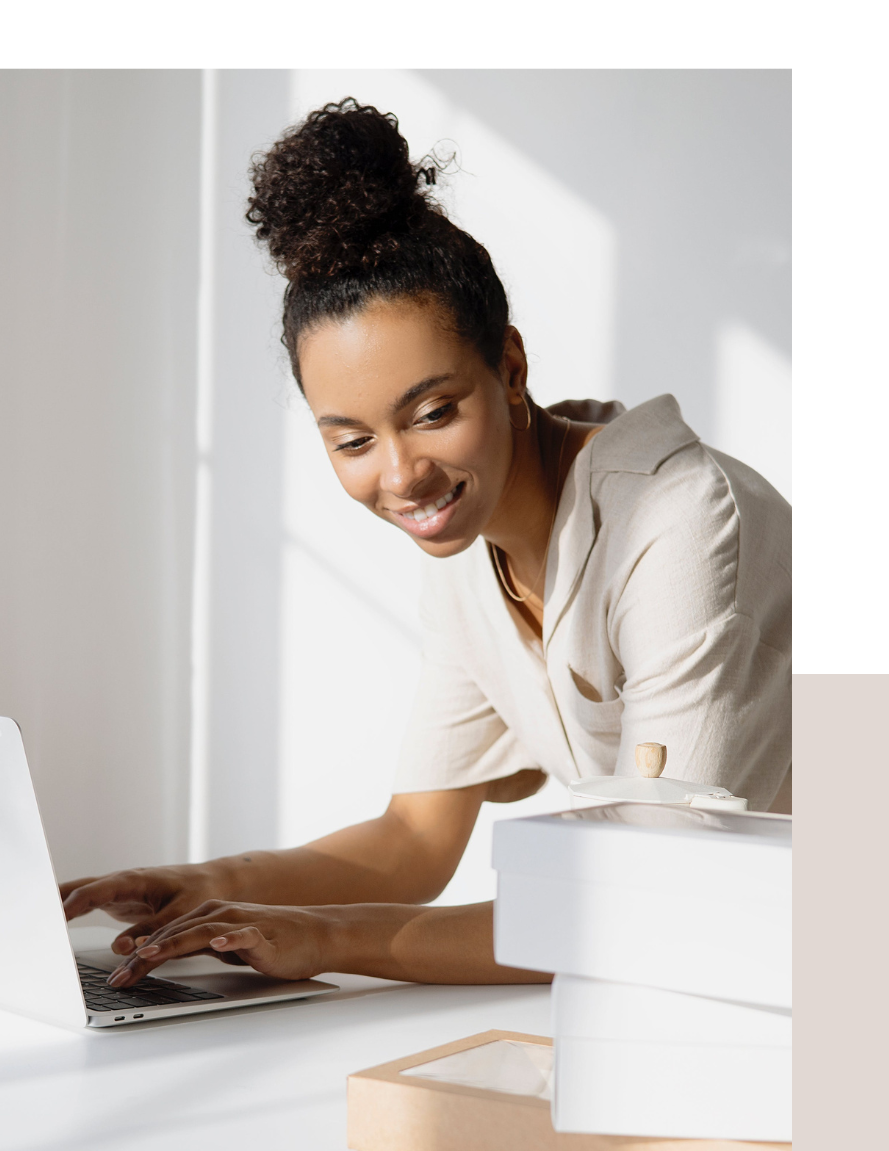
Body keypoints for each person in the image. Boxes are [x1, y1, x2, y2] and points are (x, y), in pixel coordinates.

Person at [62, 99, 791, 990]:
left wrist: (330, 942)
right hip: (732, 971)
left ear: (511, 367)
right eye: (353, 441)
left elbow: (648, 899)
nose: (403, 476)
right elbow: (414, 838)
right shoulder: (471, 551)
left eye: (434, 412)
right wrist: (206, 891)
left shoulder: (676, 520)